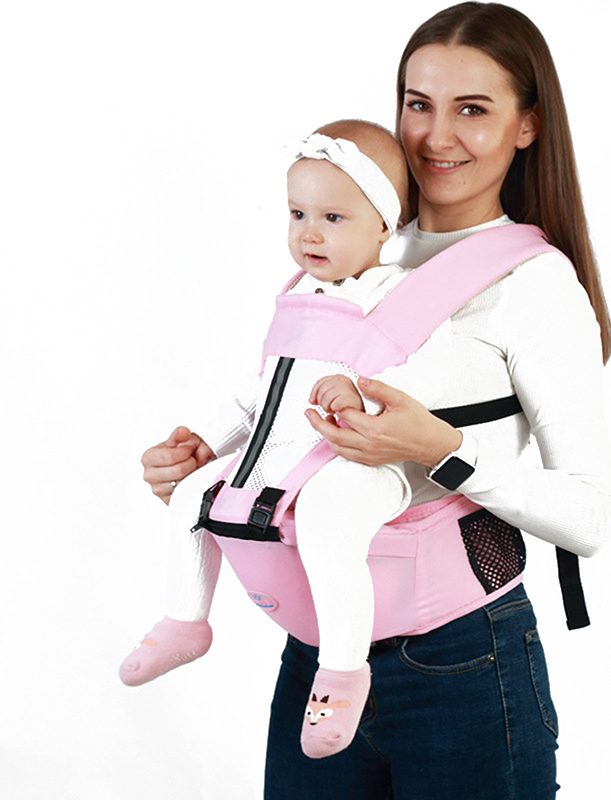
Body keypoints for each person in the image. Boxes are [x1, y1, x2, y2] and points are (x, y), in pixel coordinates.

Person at [140, 3, 611, 797]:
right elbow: (286, 413)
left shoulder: (534, 285)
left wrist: (440, 449)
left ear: (528, 125)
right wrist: (212, 461)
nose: (435, 135)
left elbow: (592, 517)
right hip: (319, 659)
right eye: (418, 103)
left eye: (473, 109)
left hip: (463, 664)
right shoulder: (343, 241)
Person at [122, 119, 454, 759]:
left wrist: (362, 396)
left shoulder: (398, 293)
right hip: (286, 444)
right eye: (298, 213)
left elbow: (431, 379)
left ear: (384, 225)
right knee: (193, 494)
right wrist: (208, 439)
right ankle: (184, 620)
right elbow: (261, 388)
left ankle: (342, 672)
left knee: (328, 517)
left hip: (366, 454)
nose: (309, 233)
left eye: (333, 217)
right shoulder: (296, 295)